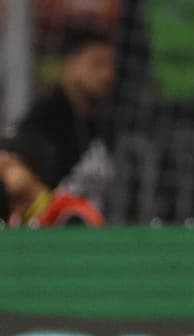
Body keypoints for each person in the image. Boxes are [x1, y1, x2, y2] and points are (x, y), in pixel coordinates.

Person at [0, 23, 114, 226]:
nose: (106, 75)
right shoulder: (44, 121)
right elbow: (16, 181)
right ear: (71, 65)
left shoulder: (103, 122)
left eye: (109, 66)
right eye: (97, 64)